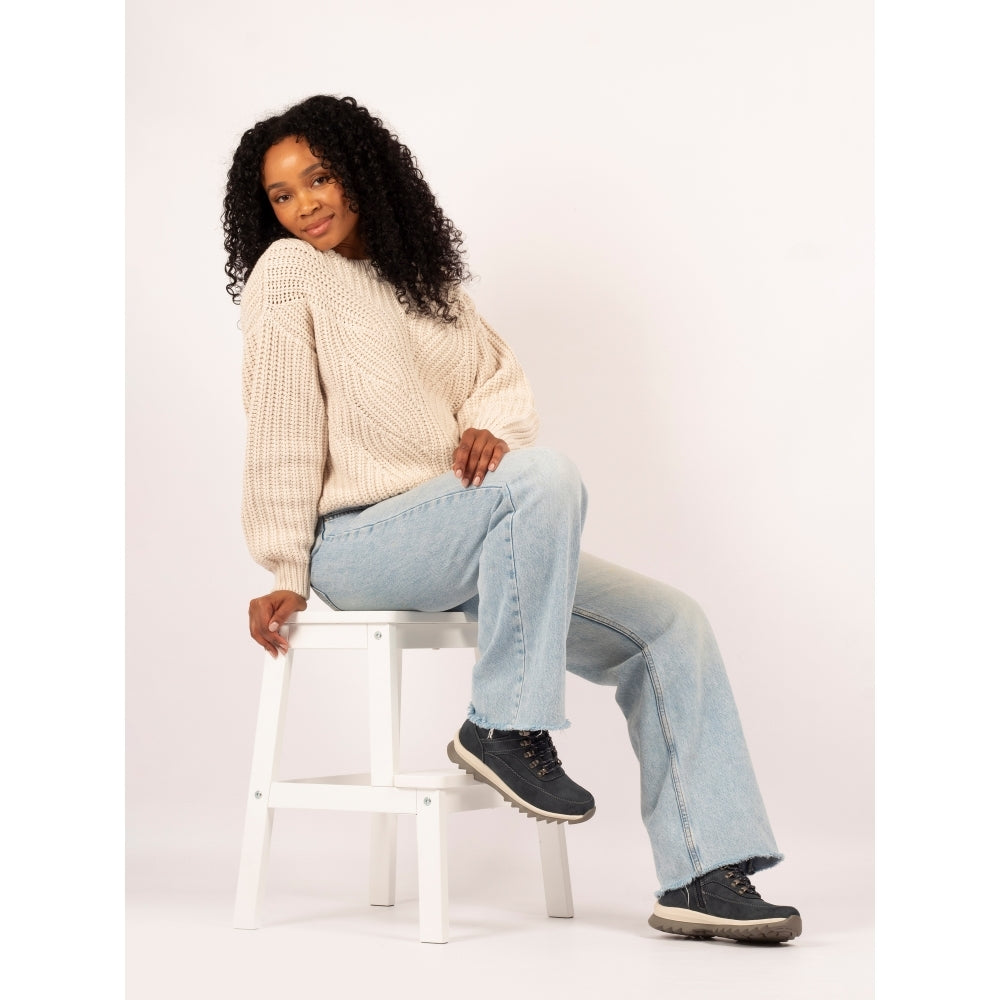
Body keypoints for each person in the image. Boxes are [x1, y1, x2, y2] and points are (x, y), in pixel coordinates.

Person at [223, 94, 802, 943]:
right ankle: (504, 724)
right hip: (359, 544)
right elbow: (278, 424)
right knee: (543, 479)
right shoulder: (290, 275)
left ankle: (704, 872)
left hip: (464, 539)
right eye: (282, 194)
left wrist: (491, 428)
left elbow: (499, 377)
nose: (305, 203)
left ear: (362, 173)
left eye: (320, 177)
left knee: (672, 623)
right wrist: (280, 567)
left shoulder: (426, 286)